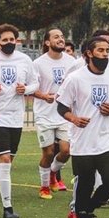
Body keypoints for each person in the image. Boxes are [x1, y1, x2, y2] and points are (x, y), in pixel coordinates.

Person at [56, 36, 109, 218]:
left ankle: (87, 212)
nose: (105, 54)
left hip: (105, 140)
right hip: (82, 141)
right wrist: (74, 119)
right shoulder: (75, 78)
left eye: (107, 50)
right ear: (89, 53)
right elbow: (61, 107)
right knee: (84, 185)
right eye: (100, 50)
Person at [0, 24, 38, 218]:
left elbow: (35, 83)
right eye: (5, 40)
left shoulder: (24, 59)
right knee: (5, 160)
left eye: (12, 39)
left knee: (7, 160)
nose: (9, 43)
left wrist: (26, 88)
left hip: (17, 117)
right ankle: (7, 207)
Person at [32, 28, 76, 199]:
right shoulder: (38, 63)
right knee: (49, 152)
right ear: (47, 42)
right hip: (44, 114)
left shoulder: (72, 61)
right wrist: (43, 96)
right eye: (56, 37)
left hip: (64, 114)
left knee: (66, 150)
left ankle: (52, 173)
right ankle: (44, 187)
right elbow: (31, 87)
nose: (61, 39)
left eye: (62, 36)